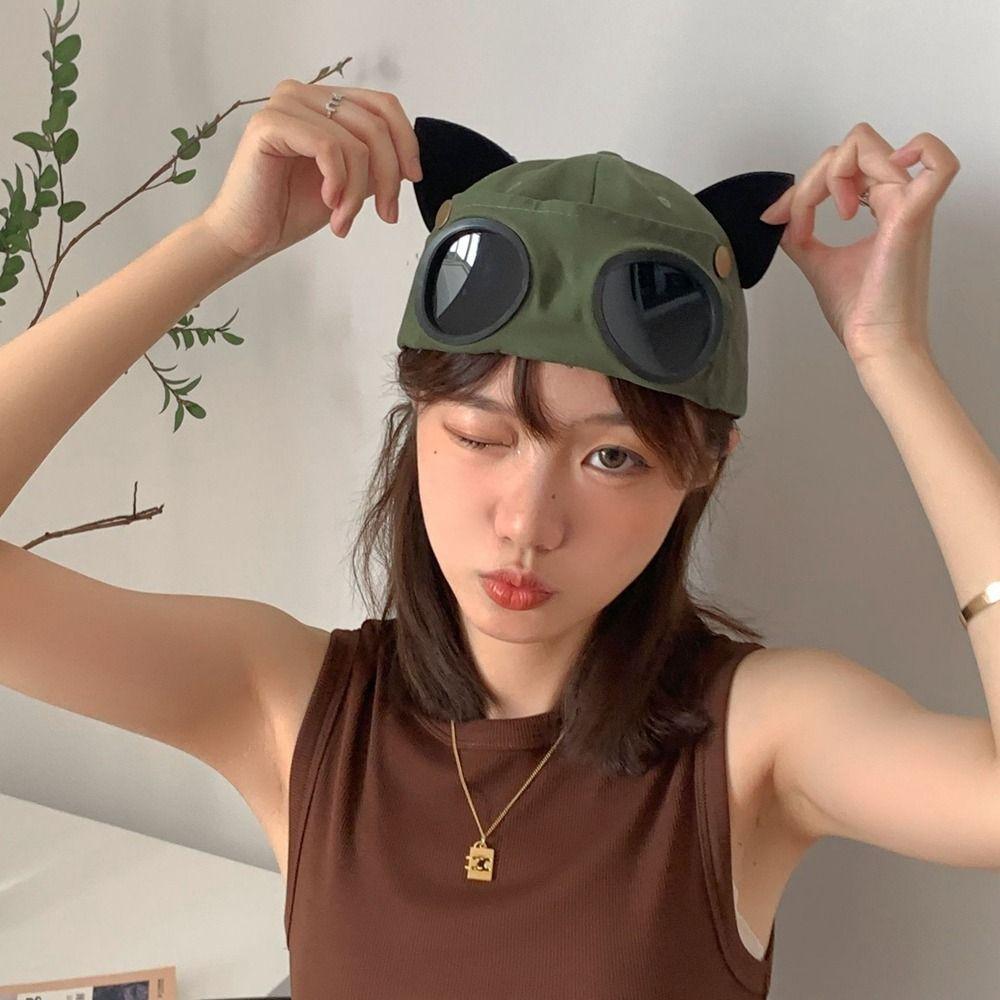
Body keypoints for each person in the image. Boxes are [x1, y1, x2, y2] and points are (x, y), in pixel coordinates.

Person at [2, 79, 993, 1000]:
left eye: (612, 457)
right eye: (483, 437)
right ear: (417, 425)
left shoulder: (755, 739)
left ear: (702, 466)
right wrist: (221, 239)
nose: (528, 522)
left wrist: (891, 355)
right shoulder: (294, 710)